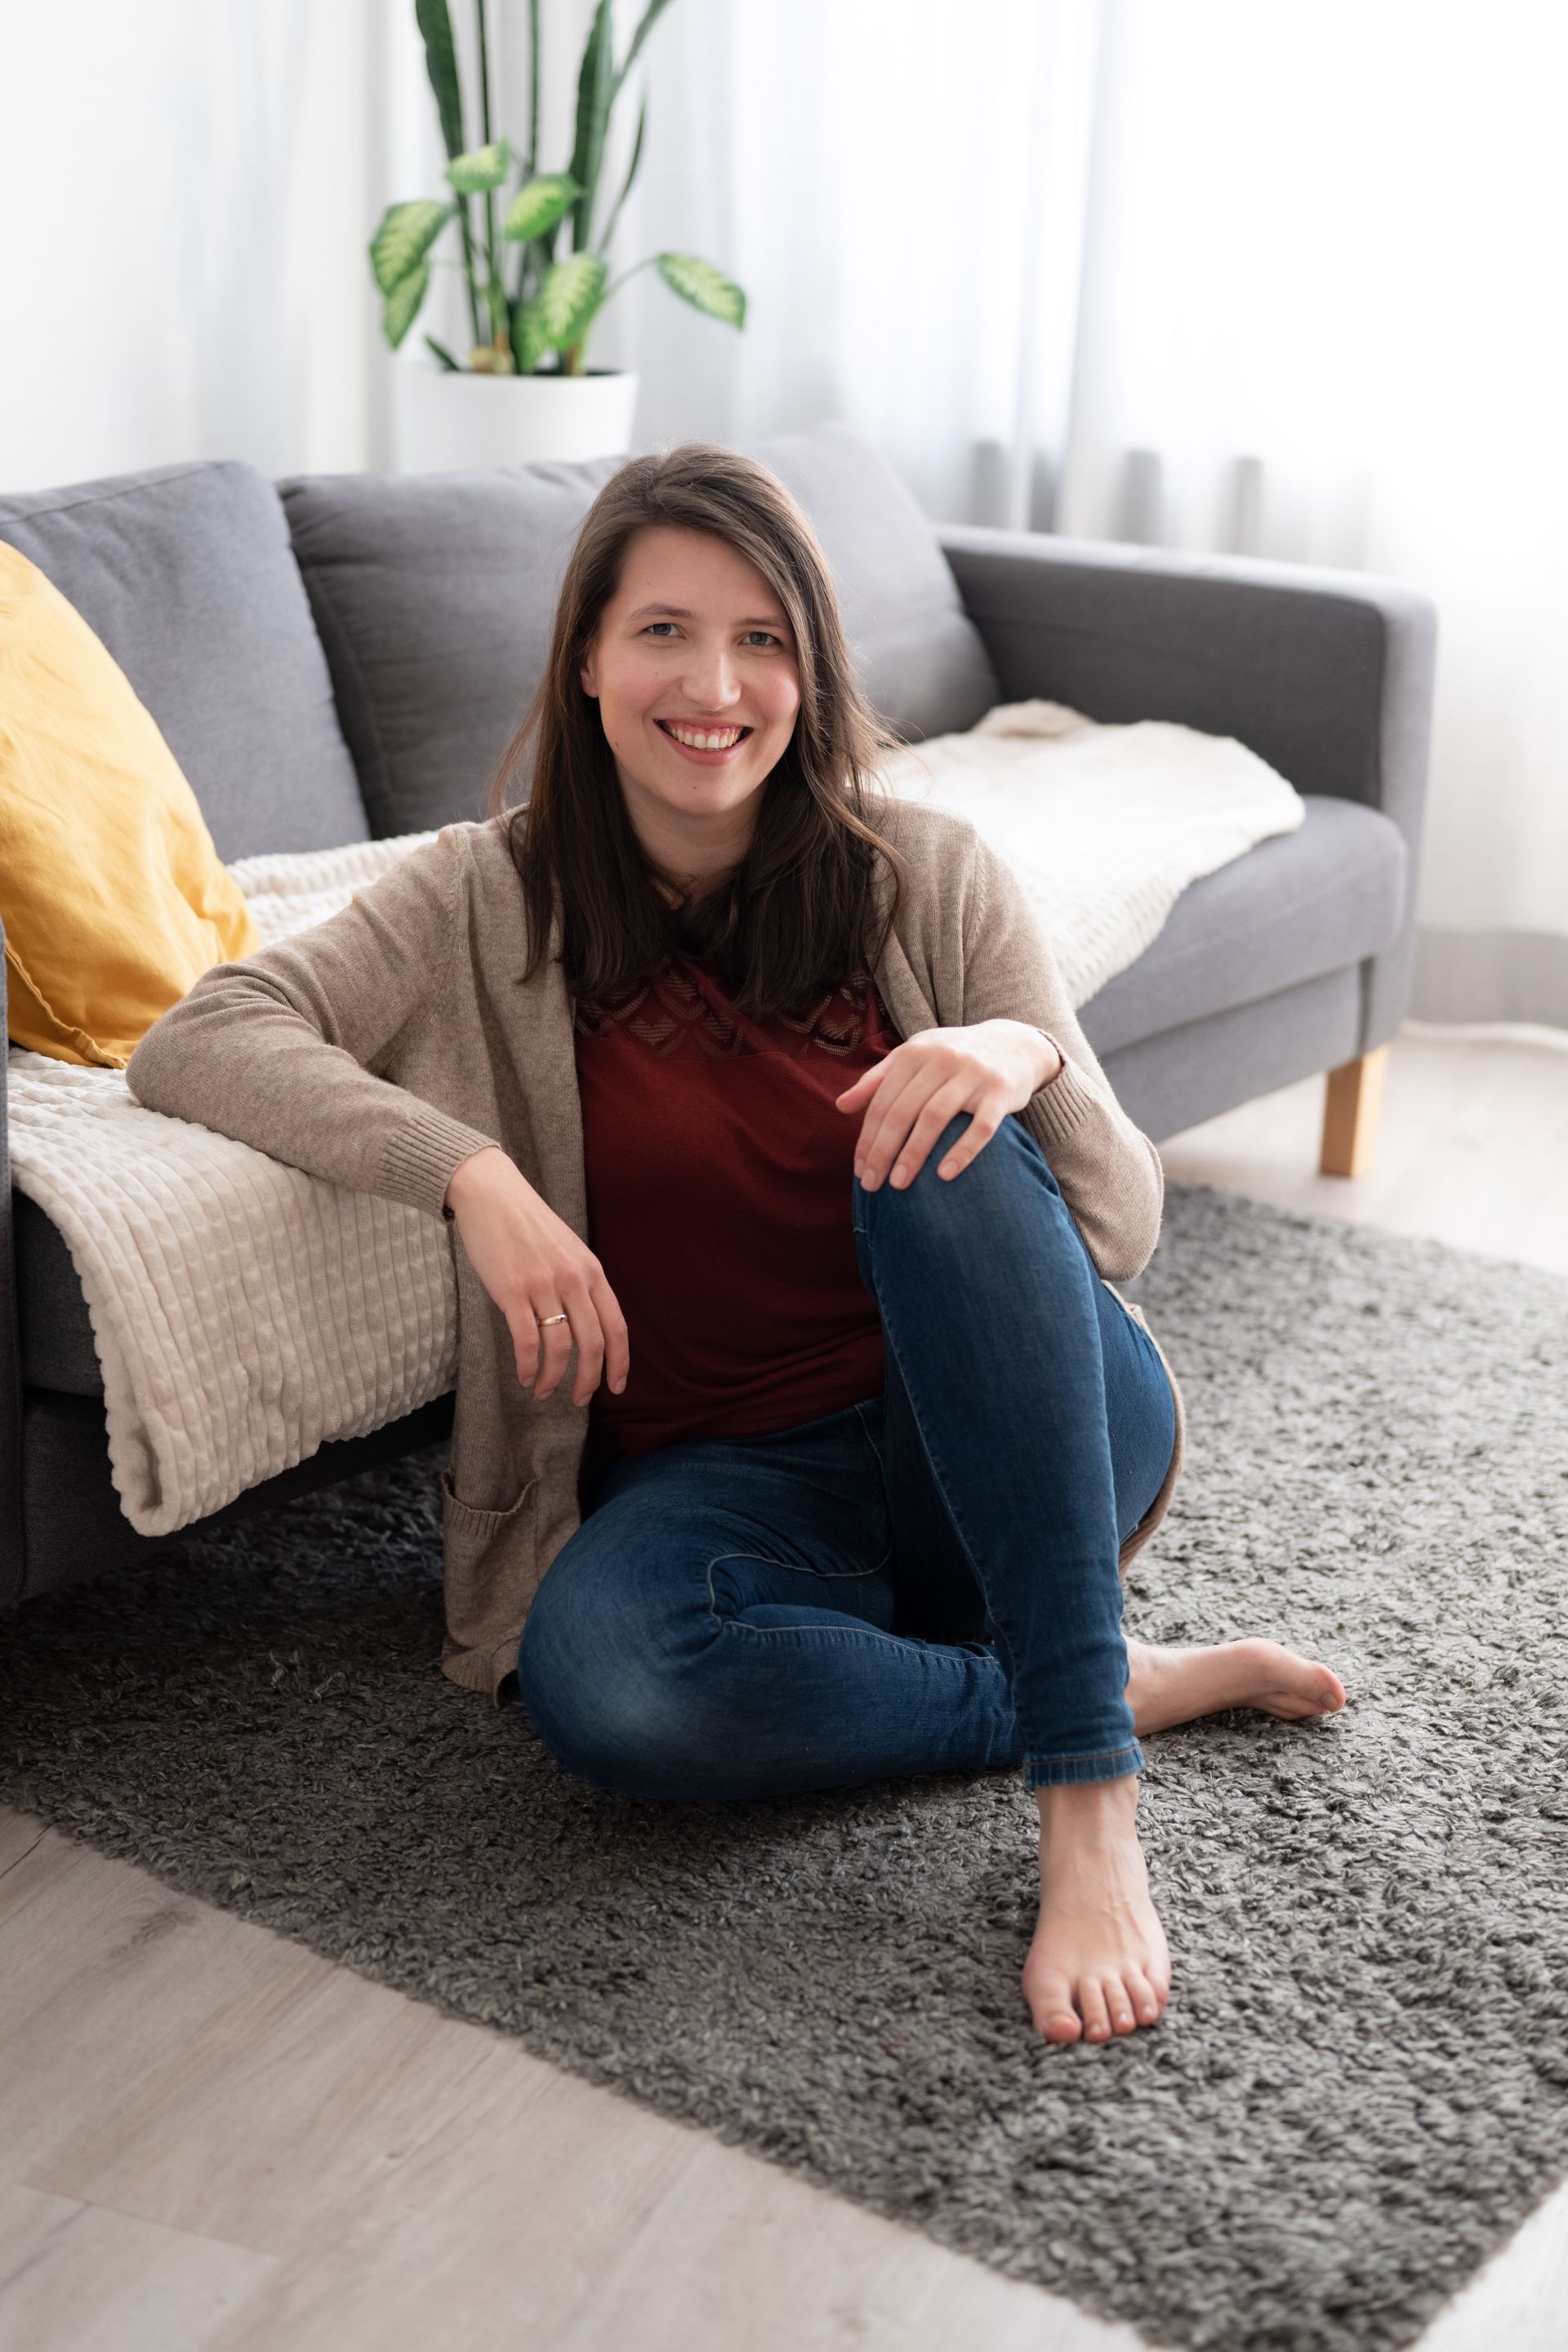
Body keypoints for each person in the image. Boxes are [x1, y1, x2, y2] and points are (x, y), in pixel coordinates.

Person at [129, 444, 1346, 2047]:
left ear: (812, 672)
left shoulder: (931, 875)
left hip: (1003, 1425)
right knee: (615, 1691)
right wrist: (472, 1174)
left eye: (764, 638)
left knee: (936, 1147)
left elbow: (1113, 1223)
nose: (716, 685)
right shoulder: (479, 899)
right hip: (726, 1482)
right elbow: (202, 1035)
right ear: (585, 657)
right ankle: (1093, 1674)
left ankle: (1085, 1782)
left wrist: (1017, 1058)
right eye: (666, 633)